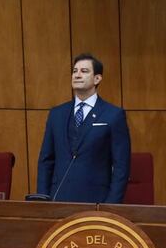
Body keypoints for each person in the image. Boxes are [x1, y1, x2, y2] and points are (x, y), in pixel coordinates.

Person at [36, 53, 130, 203]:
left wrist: (110, 206)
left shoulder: (113, 115)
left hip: (96, 201)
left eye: (84, 71)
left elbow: (121, 167)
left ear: (97, 78)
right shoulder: (56, 114)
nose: (77, 75)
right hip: (58, 199)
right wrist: (42, 199)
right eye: (74, 71)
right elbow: (46, 160)